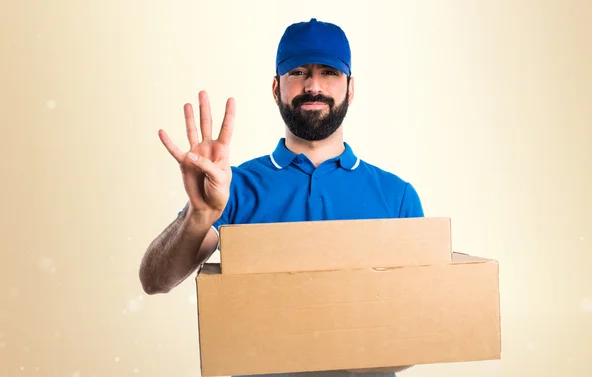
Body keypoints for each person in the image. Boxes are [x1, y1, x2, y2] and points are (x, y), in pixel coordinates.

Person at [139, 18, 422, 377]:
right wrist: (199, 214)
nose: (313, 86)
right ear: (276, 88)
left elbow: (419, 324)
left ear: (351, 88)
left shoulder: (397, 197)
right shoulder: (231, 187)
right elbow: (156, 281)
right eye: (298, 72)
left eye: (330, 72)